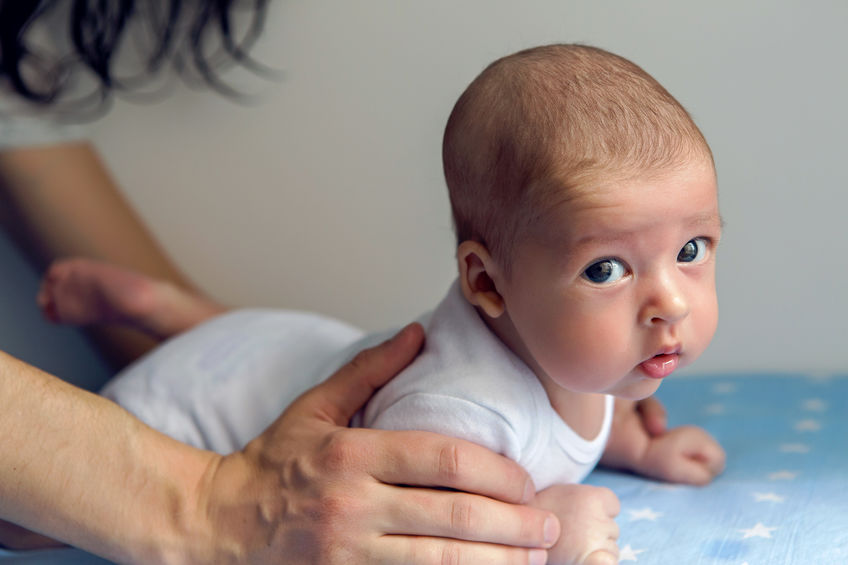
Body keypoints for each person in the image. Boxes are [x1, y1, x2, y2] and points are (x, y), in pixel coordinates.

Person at [26, 43, 726, 564]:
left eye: (692, 250)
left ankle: (163, 307)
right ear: (486, 283)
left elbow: (580, 412)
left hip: (275, 345)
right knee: (34, 520)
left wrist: (636, 442)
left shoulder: (580, 349)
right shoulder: (458, 416)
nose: (670, 300)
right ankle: (161, 318)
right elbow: (408, 528)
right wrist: (547, 529)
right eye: (607, 268)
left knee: (324, 351)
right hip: (189, 396)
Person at [0, 3, 565, 563]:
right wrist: (202, 503)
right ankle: (176, 319)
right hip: (236, 359)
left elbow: (17, 125)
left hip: (264, 345)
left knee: (315, 354)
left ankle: (180, 318)